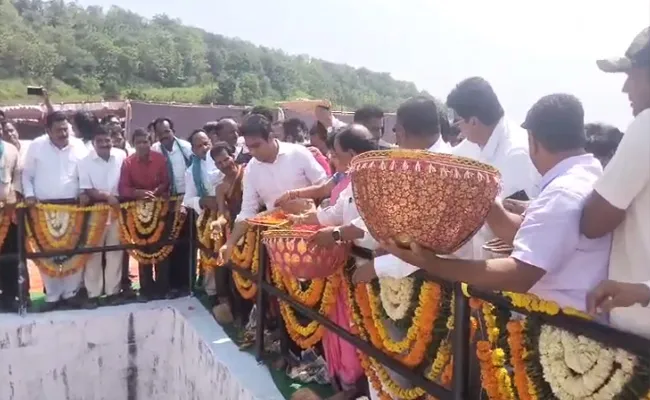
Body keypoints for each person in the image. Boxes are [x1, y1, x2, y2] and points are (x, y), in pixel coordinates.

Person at [383, 94, 610, 313]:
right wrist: (486, 202)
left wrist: (433, 264)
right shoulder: (583, 176)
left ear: (533, 141)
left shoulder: (563, 191)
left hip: (562, 323)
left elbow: (519, 274)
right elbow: (531, 238)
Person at [289, 124, 377, 399]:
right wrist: (304, 220)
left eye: (335, 155)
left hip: (373, 271)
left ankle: (362, 387)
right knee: (348, 328)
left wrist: (337, 233)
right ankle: (350, 385)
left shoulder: (377, 180)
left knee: (370, 336)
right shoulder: (352, 180)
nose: (333, 161)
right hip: (351, 266)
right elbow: (336, 212)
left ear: (351, 153)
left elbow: (372, 225)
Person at [581, 27, 650, 338]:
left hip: (640, 333)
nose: (625, 88)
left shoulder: (646, 126)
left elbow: (594, 222)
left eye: (632, 75)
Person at [353, 96, 452, 283]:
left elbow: (435, 245)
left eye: (395, 130)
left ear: (401, 131)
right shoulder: (423, 162)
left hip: (438, 281)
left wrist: (380, 266)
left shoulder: (442, 171)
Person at [446, 77, 539, 260]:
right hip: (472, 260)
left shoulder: (516, 153)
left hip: (503, 266)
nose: (458, 130)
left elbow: (513, 222)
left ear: (473, 121)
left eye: (458, 122)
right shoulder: (471, 145)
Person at [219, 113, 327, 263]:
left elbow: (325, 187)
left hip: (312, 237)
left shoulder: (298, 154)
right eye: (249, 147)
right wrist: (229, 243)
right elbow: (247, 212)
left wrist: (307, 207)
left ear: (270, 137)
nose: (253, 152)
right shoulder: (251, 169)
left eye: (257, 146)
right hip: (278, 243)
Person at [22, 111, 90, 311]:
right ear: (47, 131)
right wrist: (29, 195)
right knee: (47, 252)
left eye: (66, 128)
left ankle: (70, 294)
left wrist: (83, 191)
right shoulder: (36, 146)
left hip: (73, 208)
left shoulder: (79, 146)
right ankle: (52, 297)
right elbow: (27, 175)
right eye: (58, 130)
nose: (63, 133)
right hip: (43, 208)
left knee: (73, 251)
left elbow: (85, 174)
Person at [118, 128, 171, 301]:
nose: (143, 145)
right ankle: (147, 289)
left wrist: (156, 191)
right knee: (143, 248)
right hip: (138, 212)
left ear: (151, 142)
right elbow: (123, 188)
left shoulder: (160, 160)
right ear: (133, 144)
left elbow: (166, 181)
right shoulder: (128, 163)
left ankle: (163, 288)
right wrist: (138, 193)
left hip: (159, 209)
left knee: (161, 248)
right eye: (139, 142)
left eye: (146, 142)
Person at [78, 125, 126, 309]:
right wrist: (107, 197)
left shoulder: (121, 155)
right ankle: (93, 294)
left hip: (118, 210)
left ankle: (113, 292)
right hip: (96, 210)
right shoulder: (84, 161)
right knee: (94, 253)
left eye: (107, 140)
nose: (105, 144)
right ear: (93, 143)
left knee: (115, 251)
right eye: (100, 141)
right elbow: (88, 189)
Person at [151, 118, 194, 296]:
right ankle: (166, 285)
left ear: (173, 131)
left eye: (166, 132)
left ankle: (186, 284)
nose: (164, 136)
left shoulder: (185, 147)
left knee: (186, 244)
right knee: (167, 245)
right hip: (166, 204)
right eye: (160, 133)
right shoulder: (155, 150)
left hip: (186, 200)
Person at [0, 135, 22, 312]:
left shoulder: (10, 150)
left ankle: (9, 296)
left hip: (7, 212)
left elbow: (18, 177)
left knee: (9, 255)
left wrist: (12, 199)